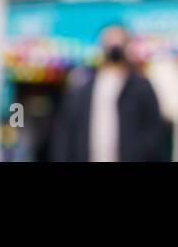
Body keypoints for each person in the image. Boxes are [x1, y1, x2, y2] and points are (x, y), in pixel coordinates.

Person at [50, 24, 168, 162]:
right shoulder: (81, 91)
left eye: (118, 43)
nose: (113, 48)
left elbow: (154, 131)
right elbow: (64, 135)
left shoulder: (141, 88)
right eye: (109, 42)